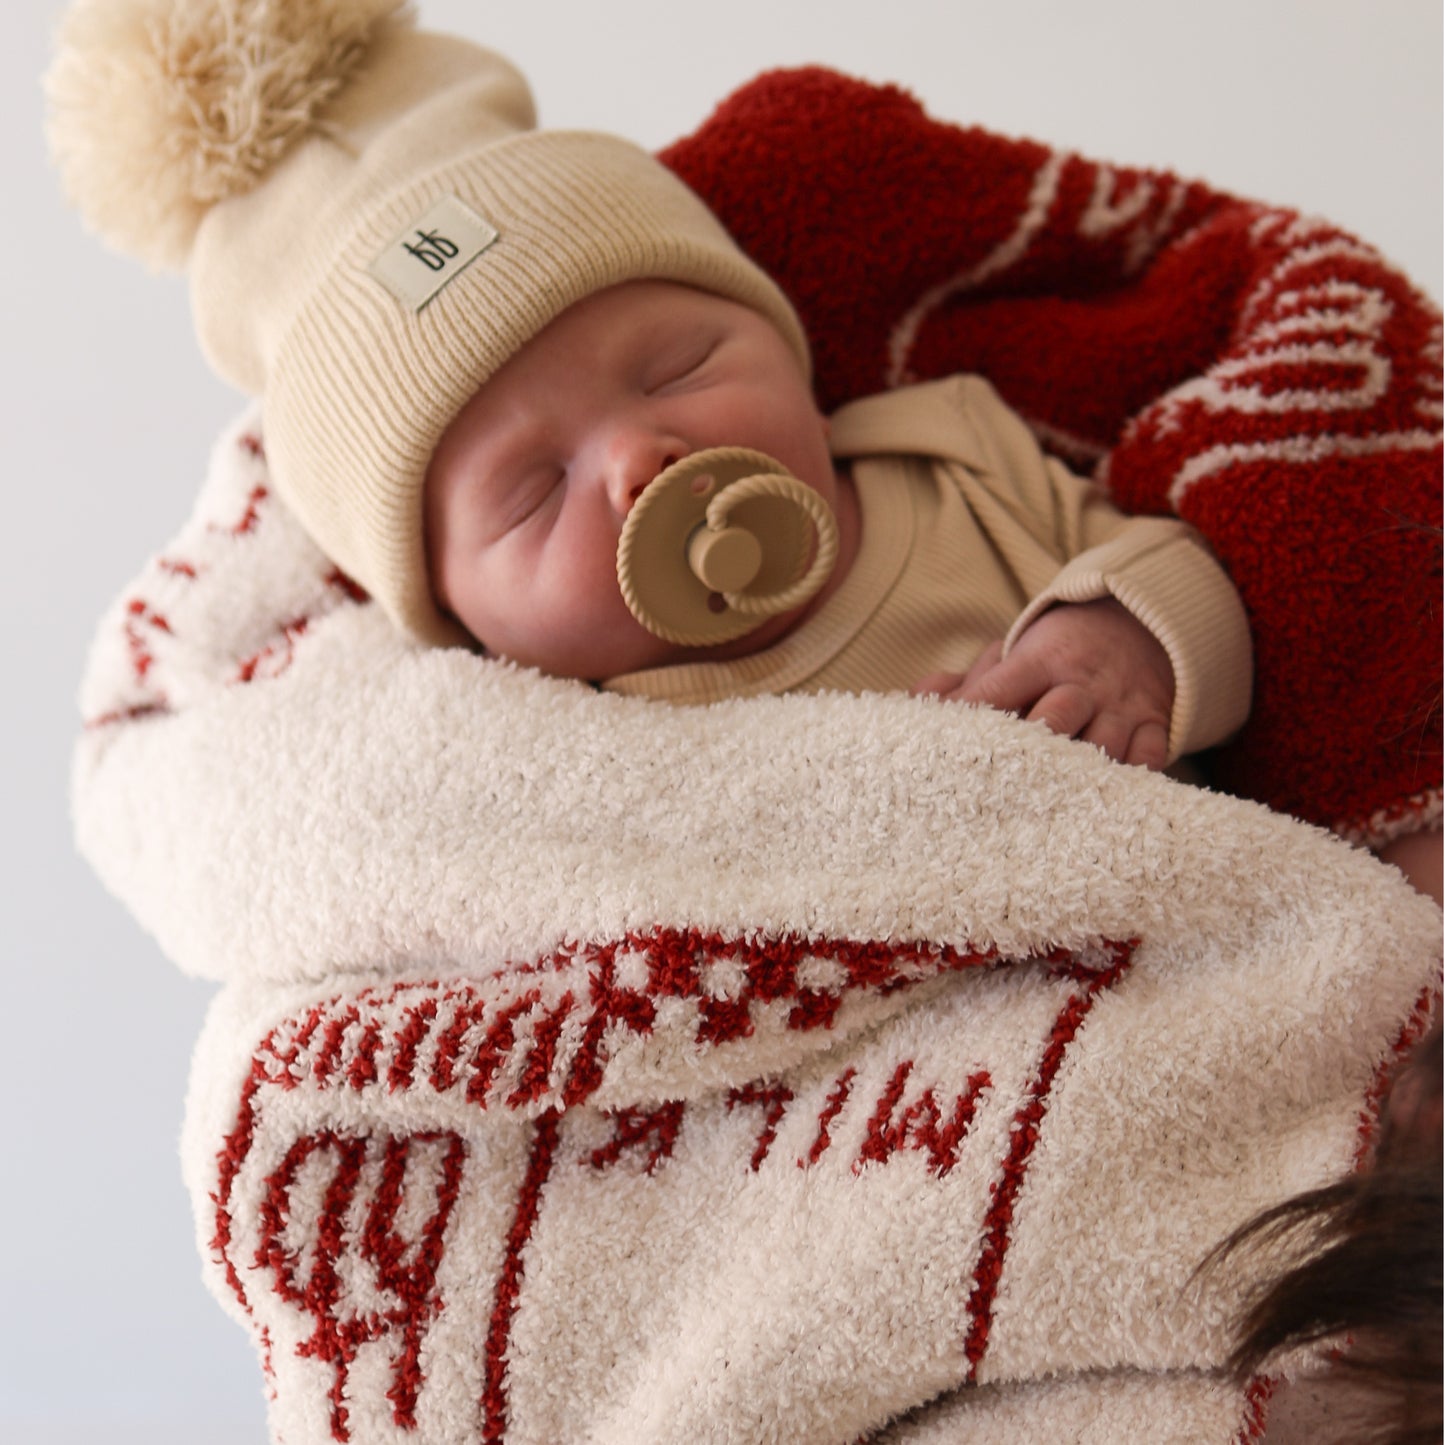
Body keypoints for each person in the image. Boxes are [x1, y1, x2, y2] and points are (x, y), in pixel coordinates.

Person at [47, 3, 1249, 775]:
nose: (637, 460)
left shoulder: (947, 454)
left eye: (681, 366)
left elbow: (1199, 570)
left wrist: (1125, 638)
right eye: (529, 492)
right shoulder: (566, 752)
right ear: (462, 623)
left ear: (786, 346)